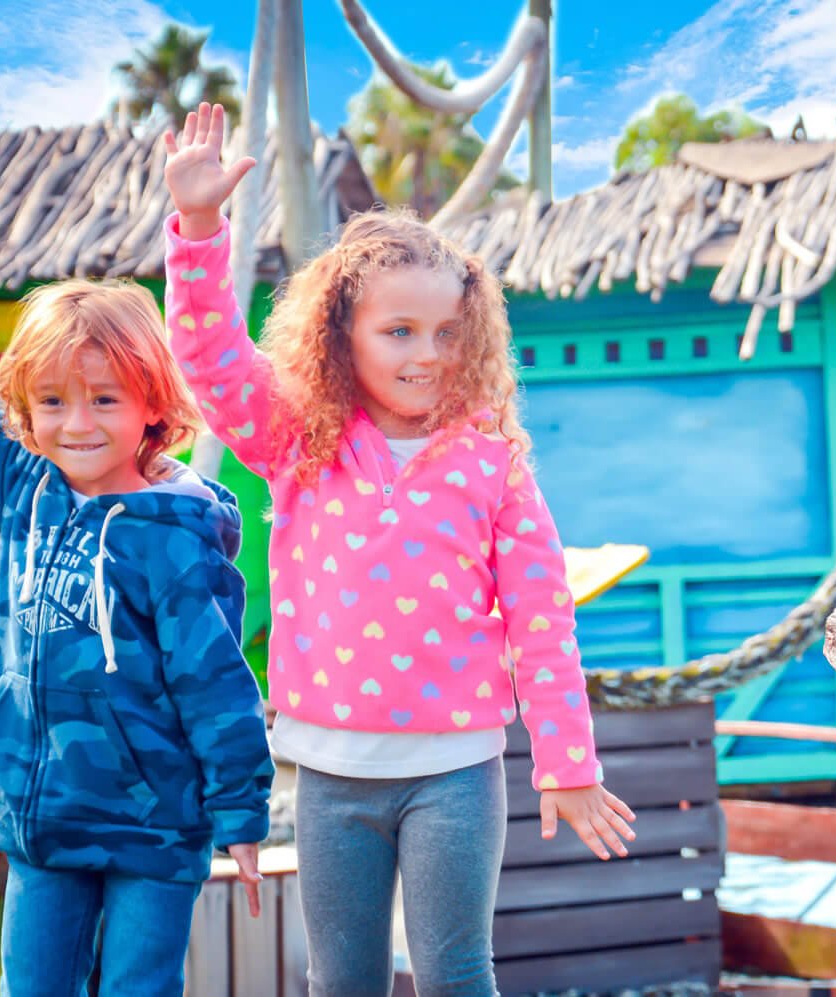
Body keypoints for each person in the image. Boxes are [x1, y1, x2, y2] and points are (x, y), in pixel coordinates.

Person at [162, 103, 636, 995]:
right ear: (341, 334)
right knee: (343, 978)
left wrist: (568, 762)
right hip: (330, 774)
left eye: (448, 332)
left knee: (457, 972)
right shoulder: (298, 440)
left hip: (456, 772)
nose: (428, 354)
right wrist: (195, 228)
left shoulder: (494, 462)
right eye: (400, 331)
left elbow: (542, 619)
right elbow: (212, 357)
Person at [0, 281, 273, 997]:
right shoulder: (23, 486)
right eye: (54, 401)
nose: (77, 424)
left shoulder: (174, 537)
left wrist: (241, 811)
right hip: (44, 823)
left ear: (151, 403)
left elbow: (216, 685)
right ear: (27, 410)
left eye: (104, 399)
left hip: (154, 829)